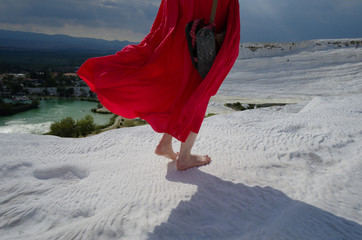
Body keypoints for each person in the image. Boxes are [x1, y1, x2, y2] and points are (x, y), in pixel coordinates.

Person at [77, 0, 240, 170]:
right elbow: (230, 22)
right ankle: (184, 157)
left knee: (179, 89)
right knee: (199, 91)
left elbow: (166, 16)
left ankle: (165, 144)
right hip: (201, 42)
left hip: (180, 39)